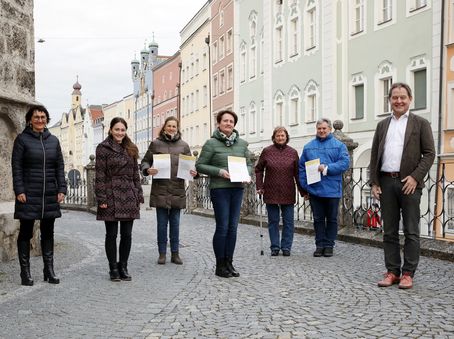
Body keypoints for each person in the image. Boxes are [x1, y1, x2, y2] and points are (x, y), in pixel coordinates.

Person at [370, 82, 435, 289]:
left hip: (409, 183)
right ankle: (392, 272)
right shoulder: (382, 125)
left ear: (410, 99)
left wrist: (416, 177)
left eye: (402, 97)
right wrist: (374, 182)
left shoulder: (420, 123)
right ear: (389, 100)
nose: (398, 101)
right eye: (395, 97)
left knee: (411, 231)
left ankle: (408, 273)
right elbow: (374, 155)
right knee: (388, 230)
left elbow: (429, 154)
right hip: (386, 182)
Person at [12, 105, 67, 286]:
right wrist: (19, 190)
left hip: (49, 193)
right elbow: (17, 167)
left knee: (48, 232)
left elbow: (59, 166)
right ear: (30, 119)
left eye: (43, 117)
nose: (40, 120)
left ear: (47, 119)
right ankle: (25, 272)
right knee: (26, 232)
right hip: (28, 193)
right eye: (36, 117)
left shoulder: (54, 141)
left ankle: (48, 270)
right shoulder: (22, 140)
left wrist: (62, 189)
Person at [196, 110, 252, 278]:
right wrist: (219, 171)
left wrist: (247, 174)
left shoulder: (242, 144)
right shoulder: (211, 143)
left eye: (231, 121)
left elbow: (249, 164)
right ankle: (220, 264)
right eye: (225, 121)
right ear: (218, 123)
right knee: (223, 226)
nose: (228, 123)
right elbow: (200, 165)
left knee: (233, 227)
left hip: (237, 188)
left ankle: (229, 262)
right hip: (219, 188)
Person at [141, 116, 196, 265]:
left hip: (177, 189)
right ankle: (162, 253)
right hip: (161, 189)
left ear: (177, 128)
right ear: (164, 127)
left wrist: (193, 172)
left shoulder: (184, 146)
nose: (171, 128)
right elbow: (145, 161)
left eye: (174, 126)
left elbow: (190, 166)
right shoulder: (156, 144)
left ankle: (175, 253)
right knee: (161, 224)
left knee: (175, 224)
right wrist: (147, 170)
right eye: (169, 126)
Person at [95, 117, 144, 282]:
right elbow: (100, 175)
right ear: (110, 130)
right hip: (110, 194)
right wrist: (101, 197)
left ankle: (123, 266)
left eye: (122, 130)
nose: (120, 133)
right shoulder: (103, 148)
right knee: (111, 234)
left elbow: (135, 174)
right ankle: (113, 268)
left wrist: (139, 193)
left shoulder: (131, 148)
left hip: (129, 194)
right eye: (117, 129)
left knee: (127, 234)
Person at [299, 118, 350, 258]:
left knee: (332, 219)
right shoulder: (308, 146)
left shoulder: (339, 146)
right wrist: (304, 185)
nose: (321, 131)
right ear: (316, 129)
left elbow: (345, 163)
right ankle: (319, 244)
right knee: (318, 219)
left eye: (324, 129)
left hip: (332, 189)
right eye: (319, 128)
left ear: (329, 129)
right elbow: (302, 167)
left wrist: (327, 168)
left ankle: (329, 245)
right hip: (315, 189)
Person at [255, 126, 306, 257]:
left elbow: (297, 174)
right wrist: (259, 186)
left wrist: (303, 191)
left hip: (287, 190)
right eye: (278, 136)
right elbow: (259, 169)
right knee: (273, 221)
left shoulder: (293, 152)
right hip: (270, 190)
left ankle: (286, 247)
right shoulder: (267, 151)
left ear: (286, 137)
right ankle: (275, 247)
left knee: (289, 221)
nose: (280, 138)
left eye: (282, 135)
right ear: (274, 137)